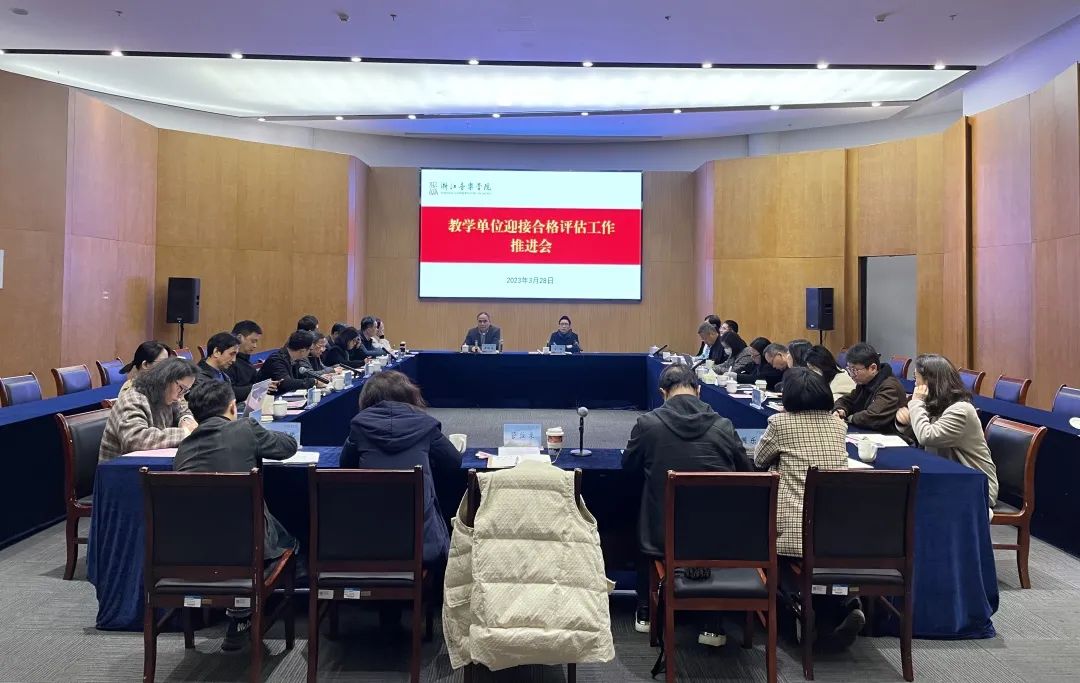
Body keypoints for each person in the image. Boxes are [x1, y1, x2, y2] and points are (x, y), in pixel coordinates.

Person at [622, 364, 750, 644]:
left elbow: (628, 466)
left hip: (661, 536)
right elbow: (746, 472)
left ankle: (646, 610)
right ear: (699, 390)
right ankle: (712, 622)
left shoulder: (648, 424)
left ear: (662, 393)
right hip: (717, 539)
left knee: (645, 509)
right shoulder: (724, 426)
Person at [174, 380, 299, 651]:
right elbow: (288, 446)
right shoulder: (246, 428)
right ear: (233, 407)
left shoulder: (184, 447)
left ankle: (239, 612)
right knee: (290, 536)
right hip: (245, 550)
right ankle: (253, 603)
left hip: (190, 552)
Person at [340, 371, 461, 626]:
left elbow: (345, 465)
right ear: (410, 396)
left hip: (363, 542)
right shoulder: (425, 425)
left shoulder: (359, 426)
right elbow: (453, 462)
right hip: (421, 543)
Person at [753, 368, 862, 649]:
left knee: (776, 549)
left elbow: (759, 460)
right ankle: (841, 608)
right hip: (836, 533)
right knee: (819, 557)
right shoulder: (838, 425)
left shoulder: (780, 423)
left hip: (794, 534)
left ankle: (798, 607)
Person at [896, 354, 998, 507]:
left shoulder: (960, 410)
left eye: (916, 378)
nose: (915, 384)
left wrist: (916, 403)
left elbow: (926, 436)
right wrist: (904, 422)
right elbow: (917, 435)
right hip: (948, 478)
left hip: (977, 486)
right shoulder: (936, 404)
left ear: (930, 382)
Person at [99, 357, 199, 461]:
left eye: (186, 391)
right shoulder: (133, 399)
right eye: (181, 388)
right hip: (118, 467)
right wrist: (185, 433)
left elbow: (182, 409)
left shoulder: (167, 395)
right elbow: (135, 440)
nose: (180, 395)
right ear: (165, 379)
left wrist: (186, 420)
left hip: (147, 463)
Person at [833, 342, 908, 432]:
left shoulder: (889, 387)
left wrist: (849, 418)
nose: (851, 375)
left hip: (892, 436)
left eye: (855, 370)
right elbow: (847, 400)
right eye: (849, 370)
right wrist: (840, 410)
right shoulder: (865, 382)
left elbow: (873, 416)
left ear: (873, 368)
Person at [226, 320, 269, 400]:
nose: (255, 346)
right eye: (253, 341)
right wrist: (258, 388)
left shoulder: (246, 361)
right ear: (239, 338)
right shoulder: (227, 362)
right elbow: (229, 393)